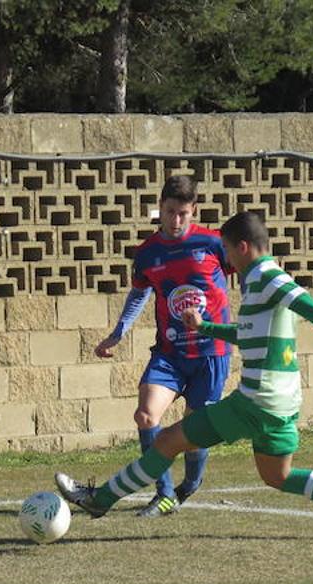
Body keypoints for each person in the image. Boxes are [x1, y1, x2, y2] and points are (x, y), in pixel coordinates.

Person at [56, 210, 313, 538]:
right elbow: (246, 334)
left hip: (256, 402)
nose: (228, 258)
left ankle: (99, 501)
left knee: (166, 441)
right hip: (281, 404)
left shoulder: (267, 277)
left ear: (242, 247)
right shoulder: (261, 284)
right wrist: (206, 327)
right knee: (278, 475)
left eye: (229, 250)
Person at [94, 174, 232, 518]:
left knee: (194, 434)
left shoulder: (213, 244)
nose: (175, 220)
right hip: (169, 354)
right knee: (145, 415)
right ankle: (165, 492)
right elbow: (140, 292)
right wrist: (119, 331)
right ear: (161, 208)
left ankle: (191, 484)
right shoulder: (148, 252)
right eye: (170, 212)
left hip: (210, 354)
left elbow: (247, 271)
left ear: (194, 210)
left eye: (183, 213)